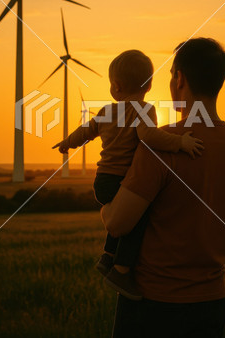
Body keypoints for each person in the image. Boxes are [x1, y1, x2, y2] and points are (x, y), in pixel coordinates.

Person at [101, 38, 225, 338]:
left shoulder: (160, 144)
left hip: (154, 303)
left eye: (171, 75)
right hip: (212, 303)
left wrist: (105, 202)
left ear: (179, 79)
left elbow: (118, 223)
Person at [53, 50, 203, 300]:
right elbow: (149, 136)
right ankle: (121, 271)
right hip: (124, 181)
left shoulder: (104, 111)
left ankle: (108, 257)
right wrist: (180, 143)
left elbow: (86, 131)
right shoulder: (145, 109)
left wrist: (67, 143)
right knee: (138, 220)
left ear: (115, 87)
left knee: (125, 217)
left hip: (102, 181)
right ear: (149, 85)